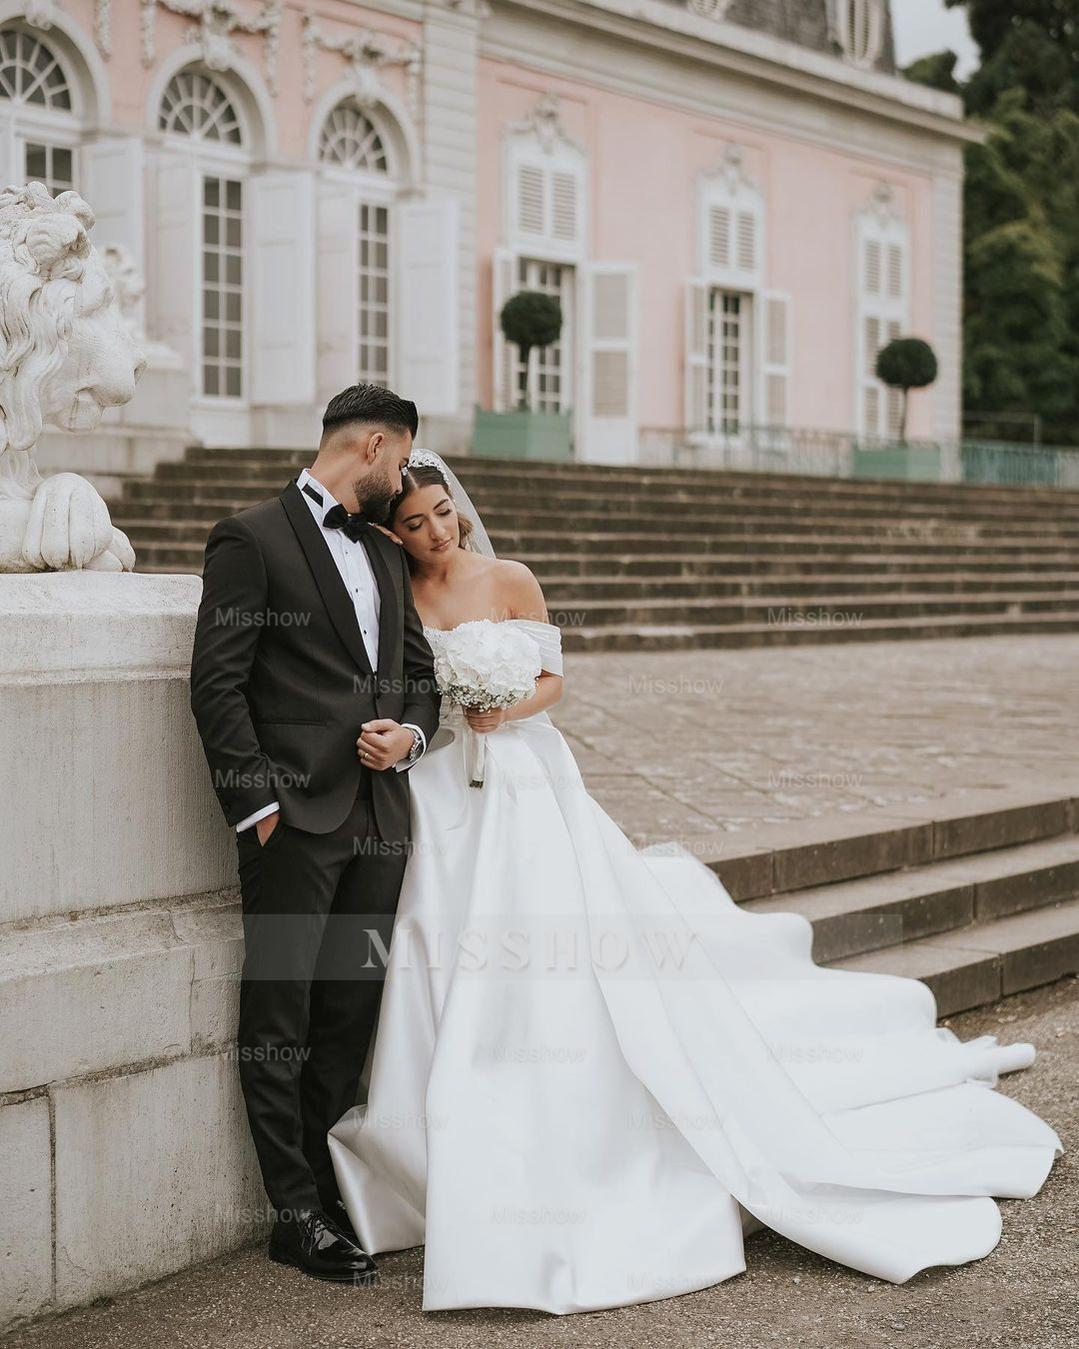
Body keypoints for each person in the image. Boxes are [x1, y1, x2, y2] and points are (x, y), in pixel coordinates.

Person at [328, 449, 1063, 1315]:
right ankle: (441, 1143)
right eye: (415, 523)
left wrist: (505, 708)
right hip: (445, 787)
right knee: (440, 935)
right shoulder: (398, 594)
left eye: (443, 513)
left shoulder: (511, 576)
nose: (436, 532)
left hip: (526, 776)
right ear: (393, 532)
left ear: (458, 506)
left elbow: (553, 679)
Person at [190, 385, 441, 1283]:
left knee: (348, 1010)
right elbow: (216, 682)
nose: (402, 481)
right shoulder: (249, 538)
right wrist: (257, 807)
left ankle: (328, 1186)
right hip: (292, 825)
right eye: (400, 462)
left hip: (379, 820)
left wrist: (410, 736)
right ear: (371, 446)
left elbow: (419, 675)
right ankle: (291, 1211)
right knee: (280, 1011)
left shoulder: (383, 551)